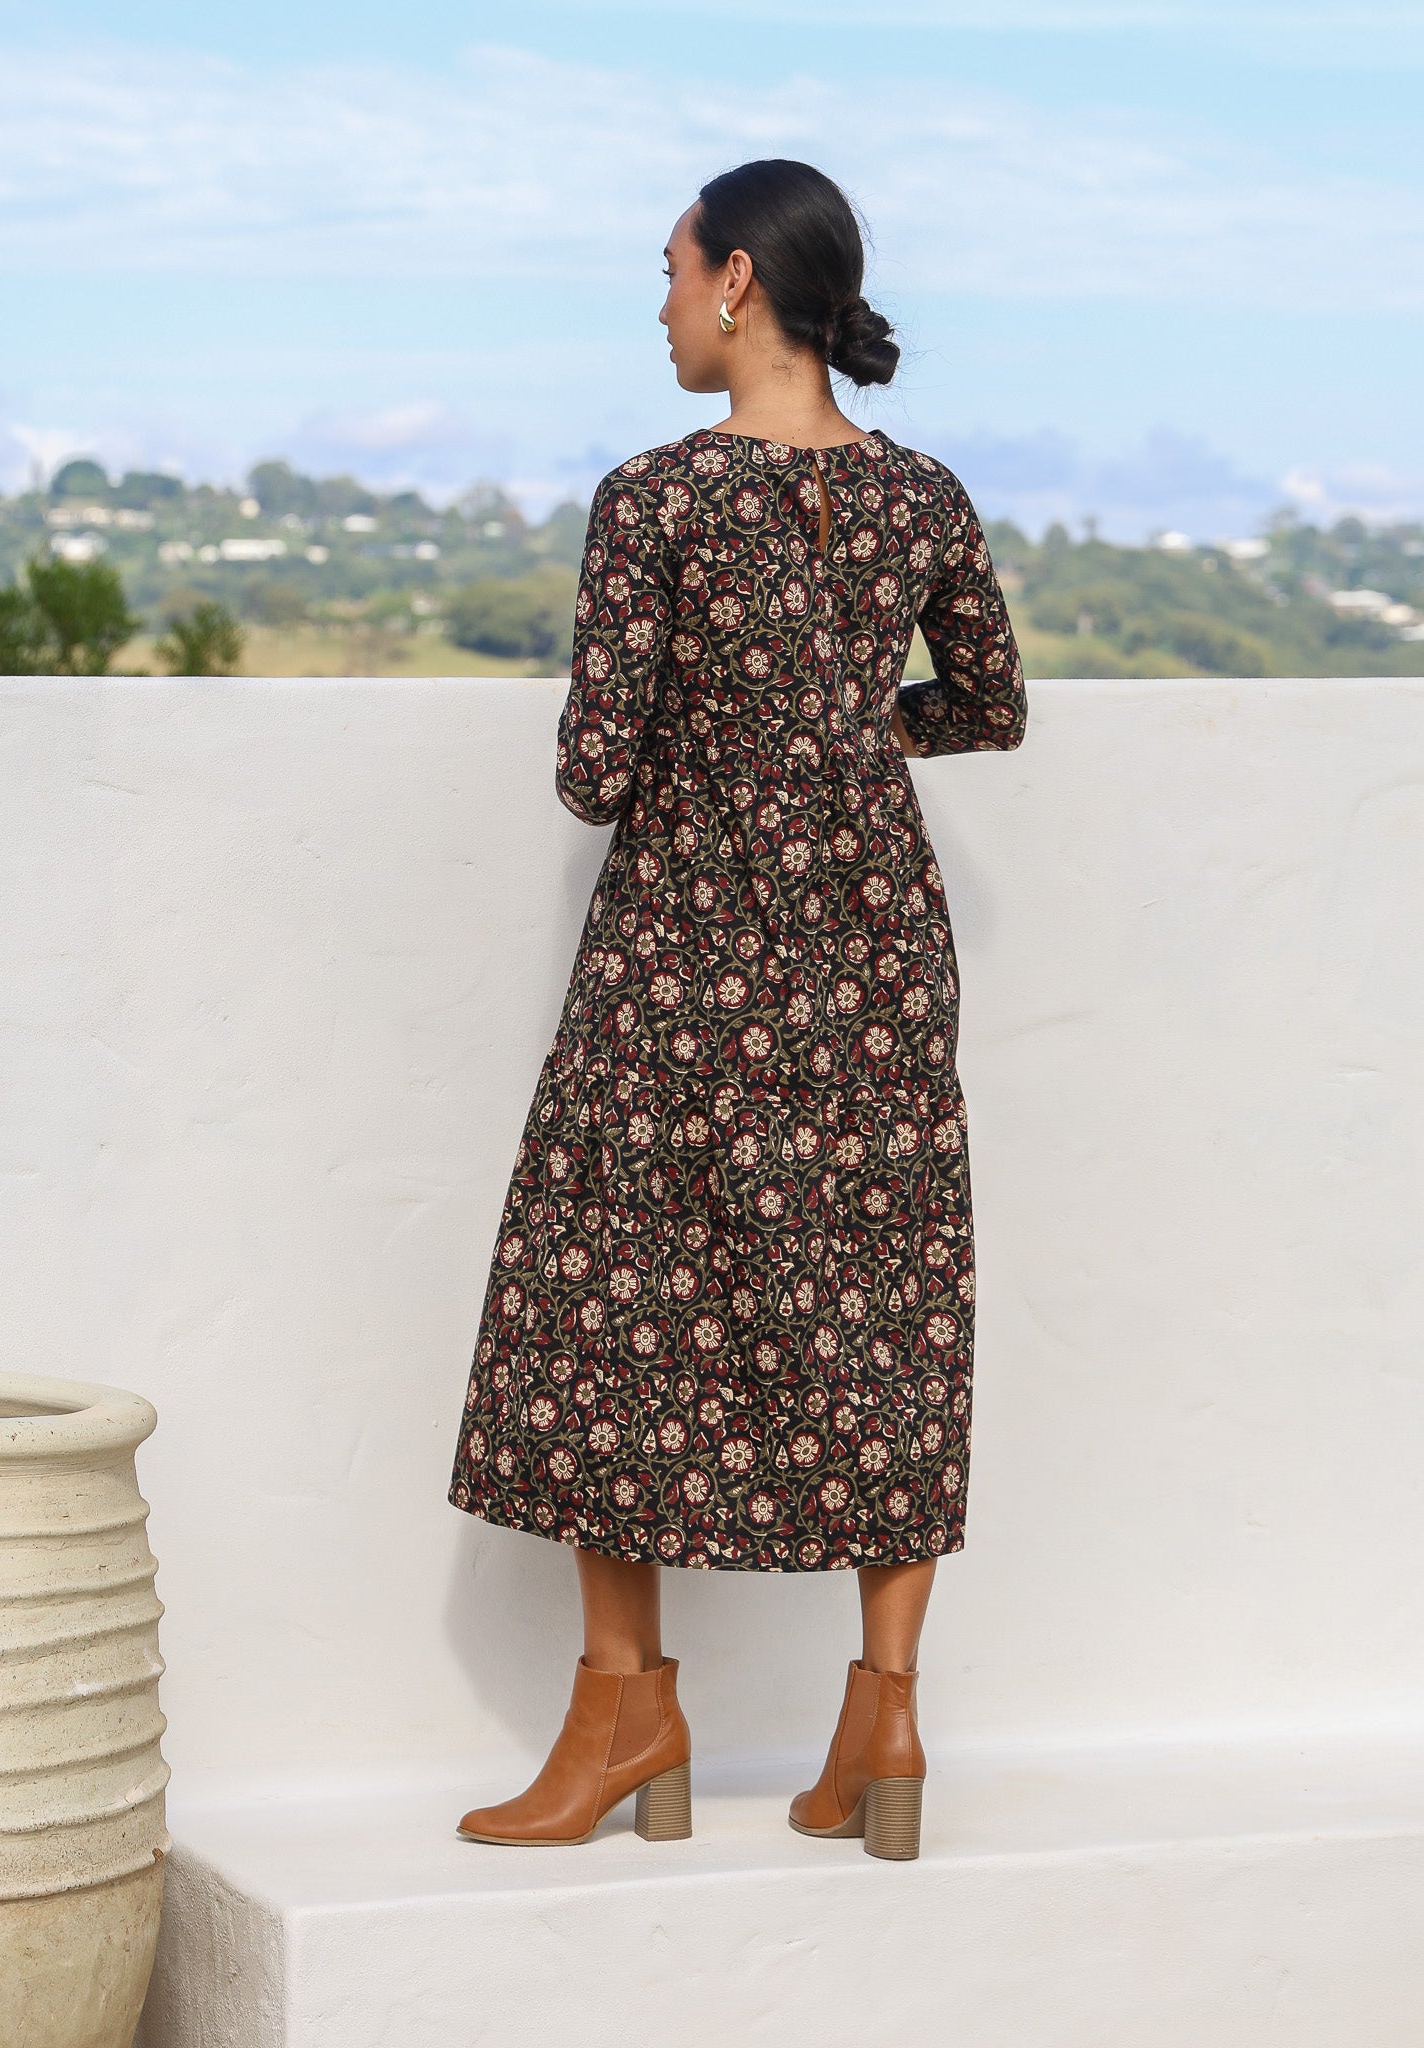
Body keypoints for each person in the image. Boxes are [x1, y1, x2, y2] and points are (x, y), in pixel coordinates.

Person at [448, 157, 1027, 1860]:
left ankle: (627, 1714)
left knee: (605, 1297)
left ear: (737, 284)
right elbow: (988, 704)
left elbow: (593, 769)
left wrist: (718, 740)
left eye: (670, 270)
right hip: (871, 952)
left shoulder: (657, 498)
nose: (659, 307)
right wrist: (846, 734)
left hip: (687, 954)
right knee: (886, 1300)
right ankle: (885, 1720)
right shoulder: (921, 494)